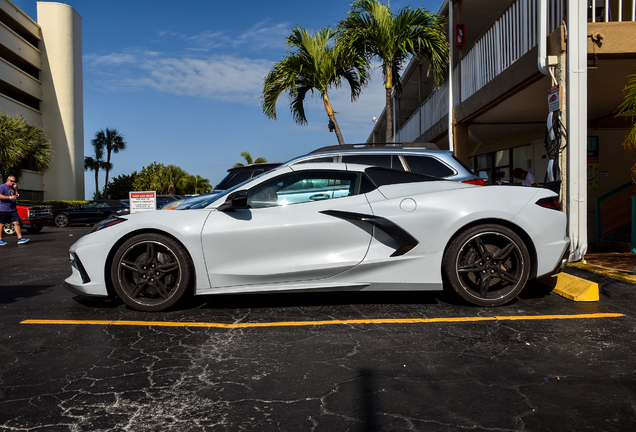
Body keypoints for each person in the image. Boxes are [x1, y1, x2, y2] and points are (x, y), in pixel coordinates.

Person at [0, 175, 30, 245]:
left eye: (14, 181)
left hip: (12, 209)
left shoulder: (13, 187)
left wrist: (16, 189)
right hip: (4, 209)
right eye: (11, 181)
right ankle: (0, 239)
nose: (13, 183)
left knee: (16, 222)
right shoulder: (2, 186)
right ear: (7, 180)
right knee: (2, 224)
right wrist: (10, 197)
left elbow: (17, 196)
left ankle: (20, 238)